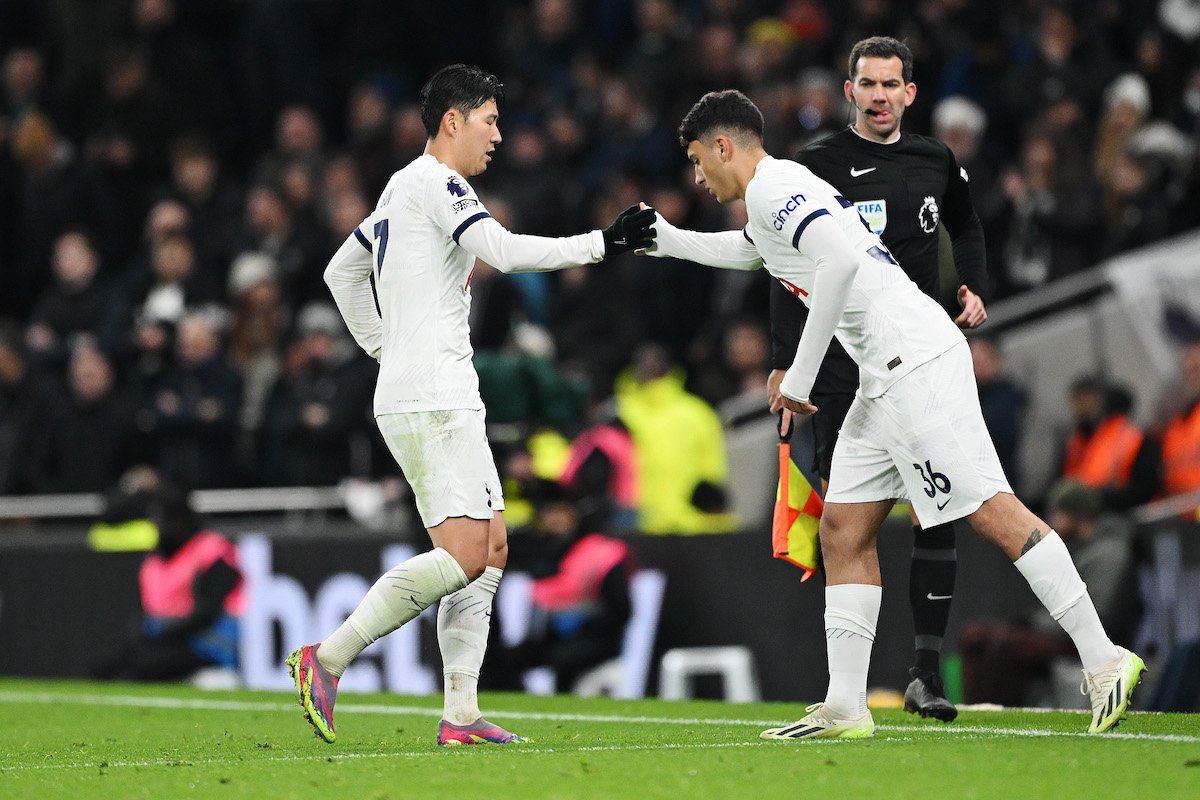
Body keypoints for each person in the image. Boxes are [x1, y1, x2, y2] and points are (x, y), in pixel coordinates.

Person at [644, 88, 1144, 739]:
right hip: (884, 380)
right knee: (843, 530)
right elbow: (751, 252)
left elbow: (842, 261)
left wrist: (800, 373)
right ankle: (847, 705)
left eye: (695, 159)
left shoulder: (774, 187)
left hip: (914, 366)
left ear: (722, 145)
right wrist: (663, 238)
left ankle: (1105, 658)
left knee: (992, 512)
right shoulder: (777, 197)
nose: (696, 176)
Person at [287, 64, 655, 747]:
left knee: (489, 549)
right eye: (489, 121)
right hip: (433, 395)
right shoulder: (437, 182)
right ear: (452, 122)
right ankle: (327, 658)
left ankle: (460, 713)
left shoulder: (400, 186)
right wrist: (603, 243)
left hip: (430, 389)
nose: (499, 135)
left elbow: (342, 270)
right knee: (461, 557)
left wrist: (383, 349)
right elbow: (504, 253)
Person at [767, 36, 989, 722]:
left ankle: (925, 672)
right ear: (850, 91)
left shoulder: (934, 160)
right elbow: (782, 262)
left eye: (893, 85)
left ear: (910, 94)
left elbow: (966, 222)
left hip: (915, 362)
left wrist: (973, 285)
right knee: (847, 525)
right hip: (841, 370)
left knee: (936, 507)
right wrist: (784, 359)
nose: (881, 96)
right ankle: (847, 689)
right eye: (869, 85)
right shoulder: (816, 167)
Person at [96, 482, 244, 681]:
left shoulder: (212, 550)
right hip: (169, 642)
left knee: (147, 664)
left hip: (208, 646)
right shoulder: (154, 559)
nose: (156, 525)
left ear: (178, 520)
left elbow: (209, 612)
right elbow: (146, 613)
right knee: (109, 667)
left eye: (160, 518)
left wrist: (162, 637)